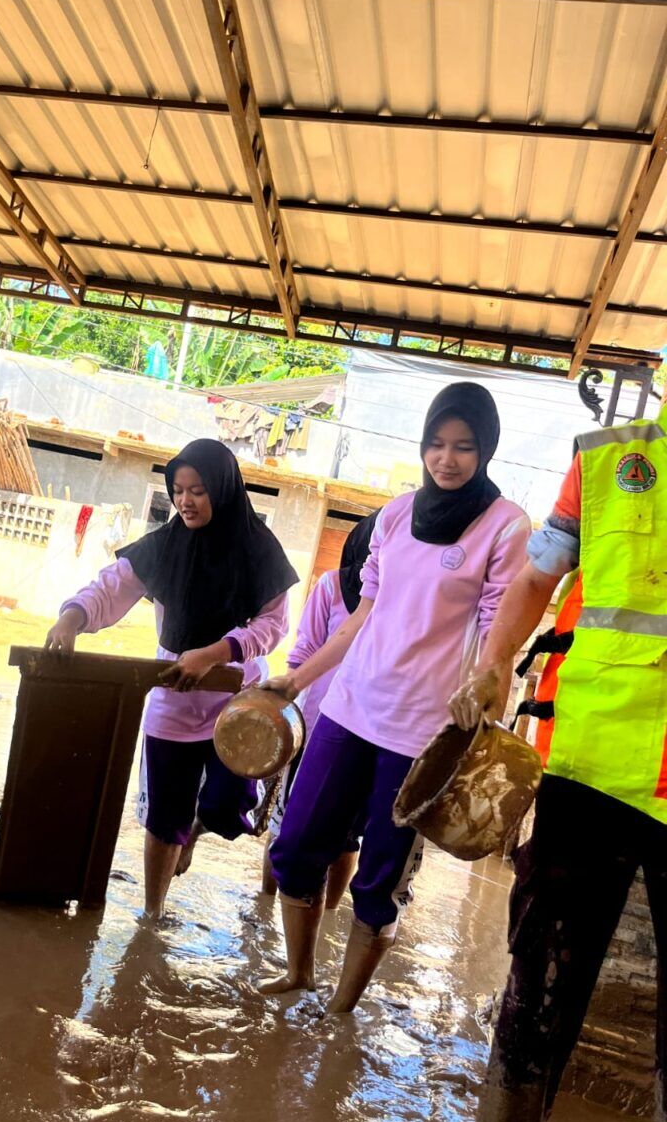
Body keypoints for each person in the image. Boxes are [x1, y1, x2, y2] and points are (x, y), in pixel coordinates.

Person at [416, 403, 667, 1122]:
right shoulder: (611, 460)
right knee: (539, 964)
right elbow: (536, 577)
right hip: (593, 762)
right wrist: (493, 667)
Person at [259, 383, 529, 1008]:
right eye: (436, 443)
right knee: (295, 847)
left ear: (486, 449)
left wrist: (487, 690)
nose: (447, 459)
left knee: (380, 880)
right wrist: (296, 681)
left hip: (422, 734)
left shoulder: (506, 525)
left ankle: (341, 1008)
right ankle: (299, 974)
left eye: (464, 447)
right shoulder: (395, 515)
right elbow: (362, 617)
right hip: (349, 709)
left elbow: (499, 632)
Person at [45, 438, 297, 919]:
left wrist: (216, 653)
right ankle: (152, 914)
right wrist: (72, 617)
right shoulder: (164, 546)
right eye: (178, 491)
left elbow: (273, 626)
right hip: (175, 695)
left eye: (198, 491)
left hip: (237, 700)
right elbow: (111, 586)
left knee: (226, 806)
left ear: (222, 489)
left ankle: (198, 828)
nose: (185, 501)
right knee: (164, 817)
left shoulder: (259, 549)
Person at [261, 511, 380, 905]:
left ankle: (327, 913)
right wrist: (287, 705)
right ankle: (264, 907)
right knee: (286, 826)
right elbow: (304, 650)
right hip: (315, 728)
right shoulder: (331, 586)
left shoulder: (399, 602)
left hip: (368, 733)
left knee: (347, 838)